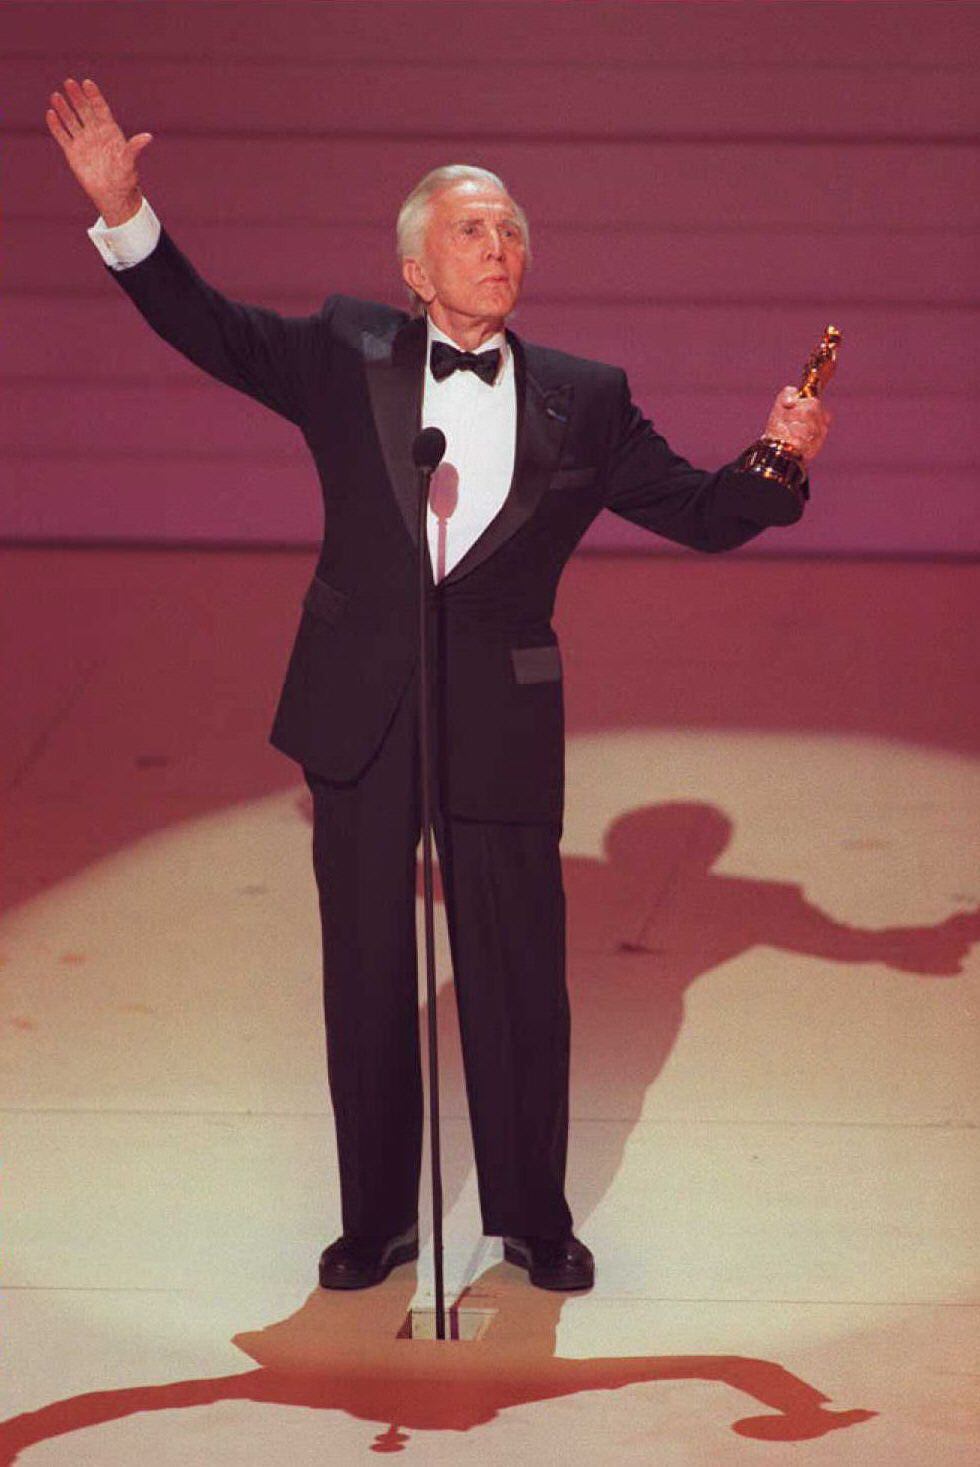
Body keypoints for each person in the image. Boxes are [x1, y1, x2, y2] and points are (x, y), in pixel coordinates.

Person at [46, 77, 830, 1294]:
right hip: (360, 701)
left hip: (500, 714)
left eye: (511, 230)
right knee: (366, 972)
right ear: (413, 267)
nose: (497, 246)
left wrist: (777, 456)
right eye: (470, 229)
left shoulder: (585, 393)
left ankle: (531, 1217)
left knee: (520, 977)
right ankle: (377, 1224)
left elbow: (695, 512)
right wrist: (125, 213)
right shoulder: (342, 350)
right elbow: (205, 325)